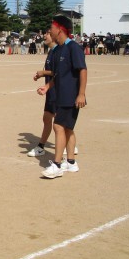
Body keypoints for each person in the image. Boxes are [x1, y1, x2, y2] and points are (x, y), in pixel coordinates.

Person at [37, 15, 87, 179]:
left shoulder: (73, 47)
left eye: (52, 27)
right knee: (67, 129)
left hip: (71, 96)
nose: (49, 31)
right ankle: (71, 162)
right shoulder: (58, 49)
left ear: (59, 29)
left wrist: (81, 94)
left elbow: (82, 70)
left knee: (58, 127)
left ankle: (57, 165)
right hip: (60, 94)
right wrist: (47, 86)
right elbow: (58, 74)